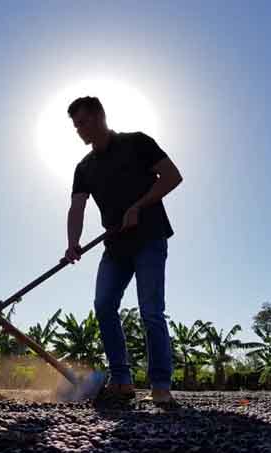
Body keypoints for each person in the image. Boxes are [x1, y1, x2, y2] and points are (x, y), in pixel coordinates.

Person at [63, 96, 183, 406]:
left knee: (151, 311)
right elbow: (77, 206)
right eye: (76, 126)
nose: (80, 130)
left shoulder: (137, 142)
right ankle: (122, 381)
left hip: (150, 237)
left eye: (84, 122)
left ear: (101, 116)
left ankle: (160, 386)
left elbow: (172, 176)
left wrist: (139, 206)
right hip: (115, 246)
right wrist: (72, 243)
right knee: (103, 305)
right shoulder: (84, 167)